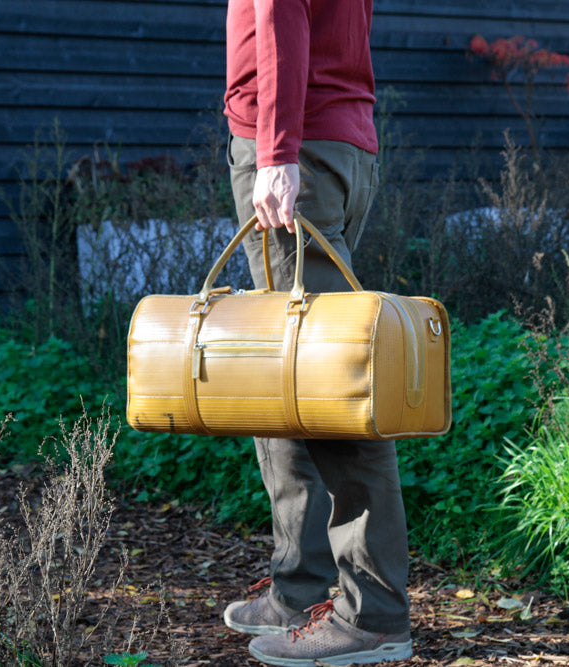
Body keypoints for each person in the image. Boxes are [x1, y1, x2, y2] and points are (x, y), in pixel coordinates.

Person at [221, 0, 413, 665]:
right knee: (285, 380)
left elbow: (278, 16)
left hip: (295, 150)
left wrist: (275, 151)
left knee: (335, 388)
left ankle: (373, 615)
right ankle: (299, 586)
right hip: (338, 145)